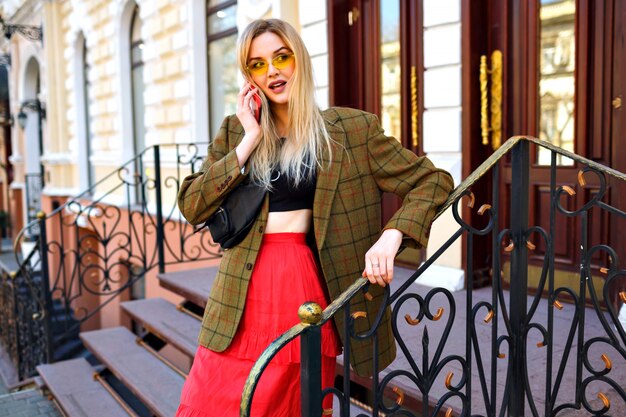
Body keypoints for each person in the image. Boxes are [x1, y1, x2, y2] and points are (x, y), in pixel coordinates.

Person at [175, 18, 454, 417]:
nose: (271, 70)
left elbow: (433, 181)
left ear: (299, 60)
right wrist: (250, 139)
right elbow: (192, 204)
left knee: (294, 402)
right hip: (239, 294)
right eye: (257, 64)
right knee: (212, 400)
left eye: (280, 57)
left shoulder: (351, 130)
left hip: (303, 287)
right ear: (249, 76)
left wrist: (393, 235)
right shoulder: (236, 132)